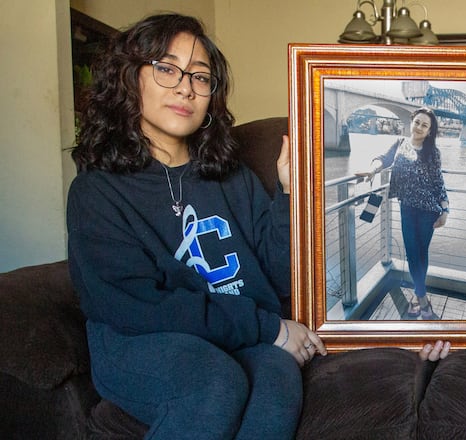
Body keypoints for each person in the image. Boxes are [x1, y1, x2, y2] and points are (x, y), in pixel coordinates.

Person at [67, 13, 326, 439]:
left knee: (278, 378)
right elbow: (135, 305)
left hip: (237, 334)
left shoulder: (231, 176)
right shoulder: (96, 192)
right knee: (213, 381)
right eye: (167, 69)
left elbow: (279, 277)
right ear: (130, 79)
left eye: (200, 77)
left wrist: (289, 194)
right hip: (140, 339)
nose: (186, 87)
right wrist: (269, 328)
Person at [358, 107, 450, 320]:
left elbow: (439, 183)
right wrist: (372, 170)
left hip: (429, 211)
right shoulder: (400, 143)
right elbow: (383, 159)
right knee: (411, 253)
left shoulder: (433, 152)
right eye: (417, 122)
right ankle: (422, 298)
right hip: (407, 207)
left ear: (429, 131)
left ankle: (419, 298)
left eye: (424, 125)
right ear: (412, 122)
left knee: (421, 254)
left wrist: (445, 211)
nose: (419, 127)